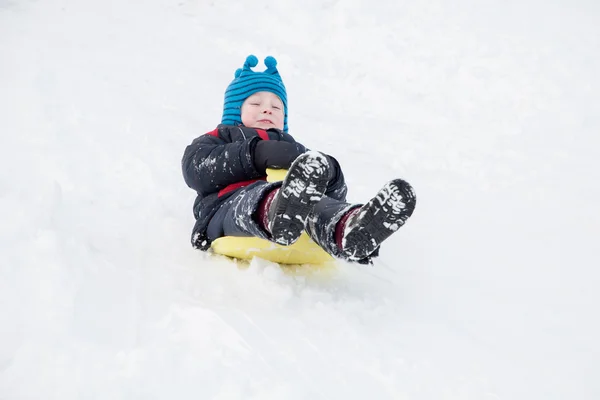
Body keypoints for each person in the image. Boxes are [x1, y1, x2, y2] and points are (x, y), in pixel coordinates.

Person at [182, 55, 416, 264]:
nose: (267, 110)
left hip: (294, 208)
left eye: (276, 106)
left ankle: (350, 228)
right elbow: (196, 168)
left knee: (314, 201)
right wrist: (253, 154)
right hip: (227, 212)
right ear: (235, 109)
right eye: (255, 103)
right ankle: (278, 212)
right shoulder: (221, 137)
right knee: (259, 197)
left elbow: (331, 194)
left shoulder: (294, 148)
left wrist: (331, 173)